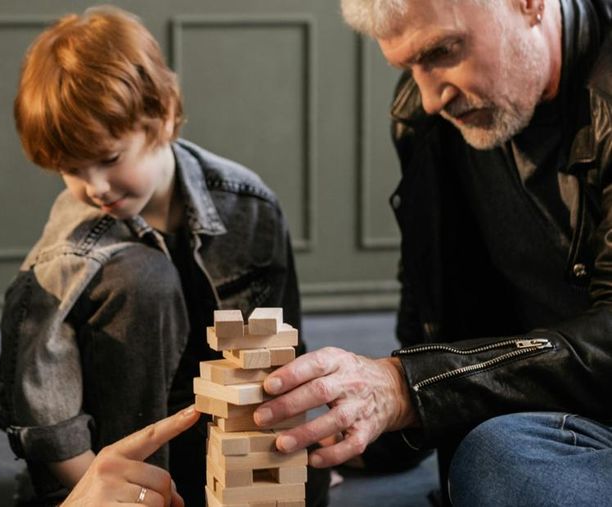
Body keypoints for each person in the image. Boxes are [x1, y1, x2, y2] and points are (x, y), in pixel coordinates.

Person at [254, 0, 612, 504]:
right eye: (409, 68)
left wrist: (411, 388)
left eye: (443, 51)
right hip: (543, 420)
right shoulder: (428, 118)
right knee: (499, 459)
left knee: (502, 466)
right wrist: (382, 427)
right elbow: (431, 290)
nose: (427, 97)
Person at [0, 5, 328, 505]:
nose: (95, 187)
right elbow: (46, 419)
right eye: (72, 169)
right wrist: (105, 487)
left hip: (221, 423)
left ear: (164, 117)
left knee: (309, 481)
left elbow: (281, 346)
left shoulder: (248, 205)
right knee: (144, 277)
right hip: (108, 451)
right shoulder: (68, 252)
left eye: (108, 159)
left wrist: (279, 452)